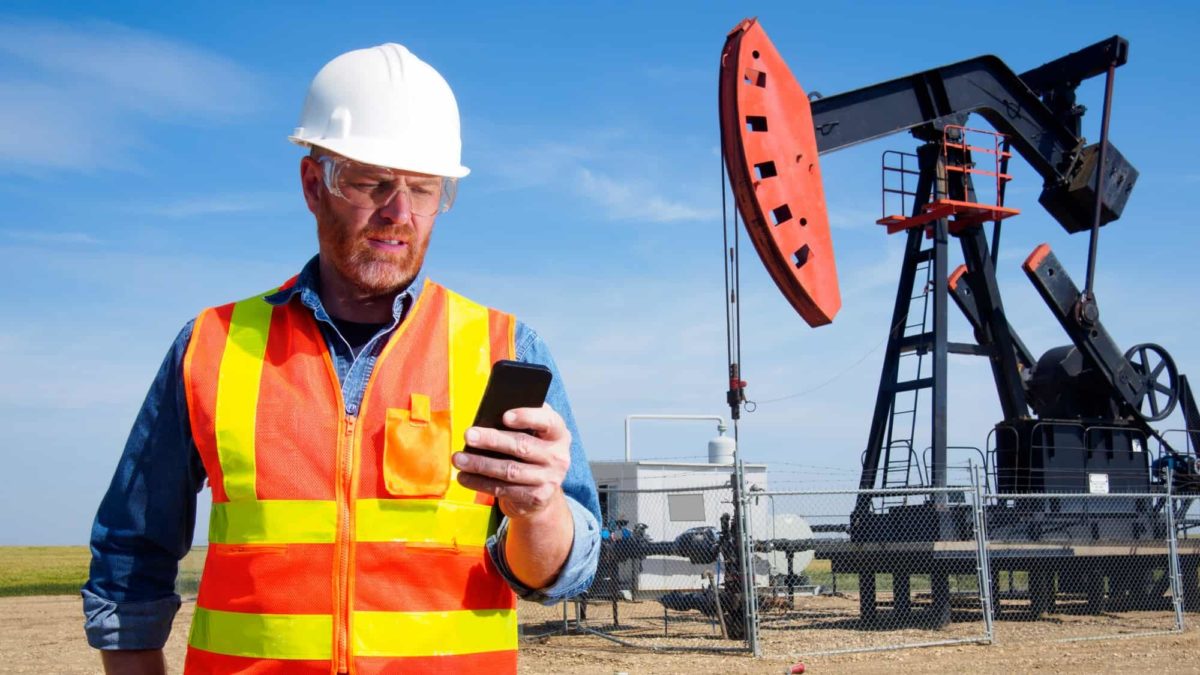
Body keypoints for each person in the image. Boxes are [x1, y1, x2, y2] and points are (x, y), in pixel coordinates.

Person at [82, 43, 601, 675]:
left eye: (422, 188)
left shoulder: (506, 349)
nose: (399, 213)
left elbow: (557, 577)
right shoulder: (211, 345)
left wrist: (539, 510)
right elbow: (130, 558)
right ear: (313, 184)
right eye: (371, 182)